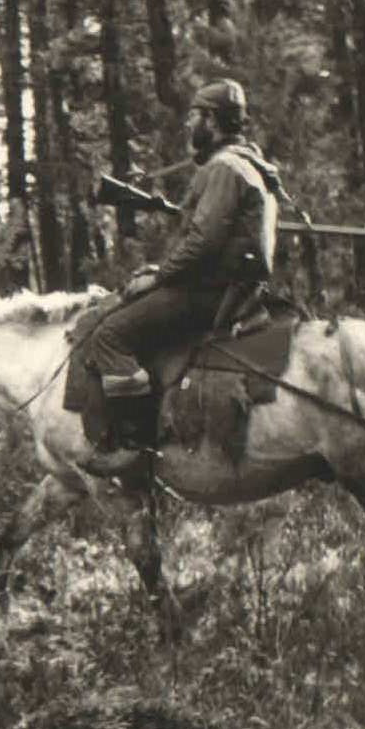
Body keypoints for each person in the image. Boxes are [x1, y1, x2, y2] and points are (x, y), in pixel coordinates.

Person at [82, 78, 285, 475]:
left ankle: (134, 445)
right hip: (231, 286)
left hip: (211, 292)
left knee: (108, 335)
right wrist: (162, 271)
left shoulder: (225, 168)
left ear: (211, 121)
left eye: (194, 116)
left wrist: (157, 280)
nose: (188, 125)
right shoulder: (249, 165)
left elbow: (203, 244)